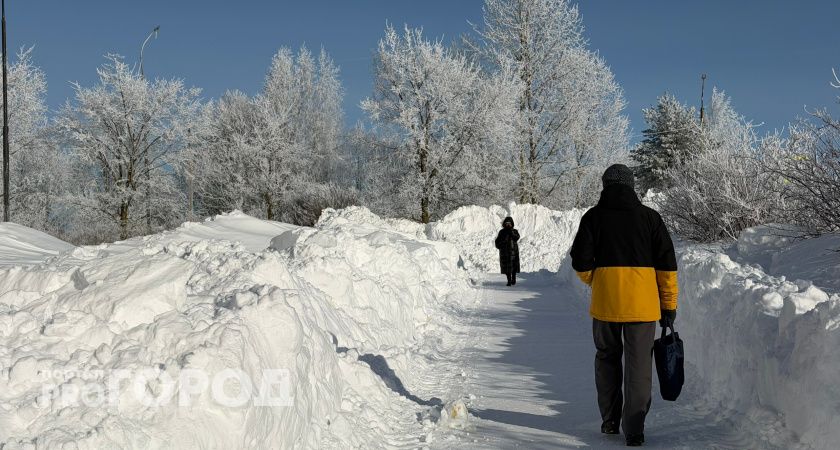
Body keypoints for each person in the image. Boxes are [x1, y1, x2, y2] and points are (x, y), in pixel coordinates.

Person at [569, 164, 678, 447]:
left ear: (605, 185)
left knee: (606, 359)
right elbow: (667, 268)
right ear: (632, 186)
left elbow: (580, 261)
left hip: (606, 304)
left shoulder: (593, 218)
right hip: (642, 308)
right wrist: (668, 306)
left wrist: (597, 281)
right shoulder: (650, 218)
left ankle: (609, 420)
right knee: (639, 367)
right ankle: (635, 429)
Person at [494, 216, 520, 286]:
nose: (508, 224)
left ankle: (513, 278)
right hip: (505, 253)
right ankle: (509, 280)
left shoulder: (514, 231)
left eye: (509, 223)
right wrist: (502, 243)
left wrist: (511, 233)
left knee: (513, 267)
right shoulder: (501, 232)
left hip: (513, 253)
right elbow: (497, 242)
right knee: (507, 268)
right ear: (504, 224)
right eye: (506, 223)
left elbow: (517, 238)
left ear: (512, 224)